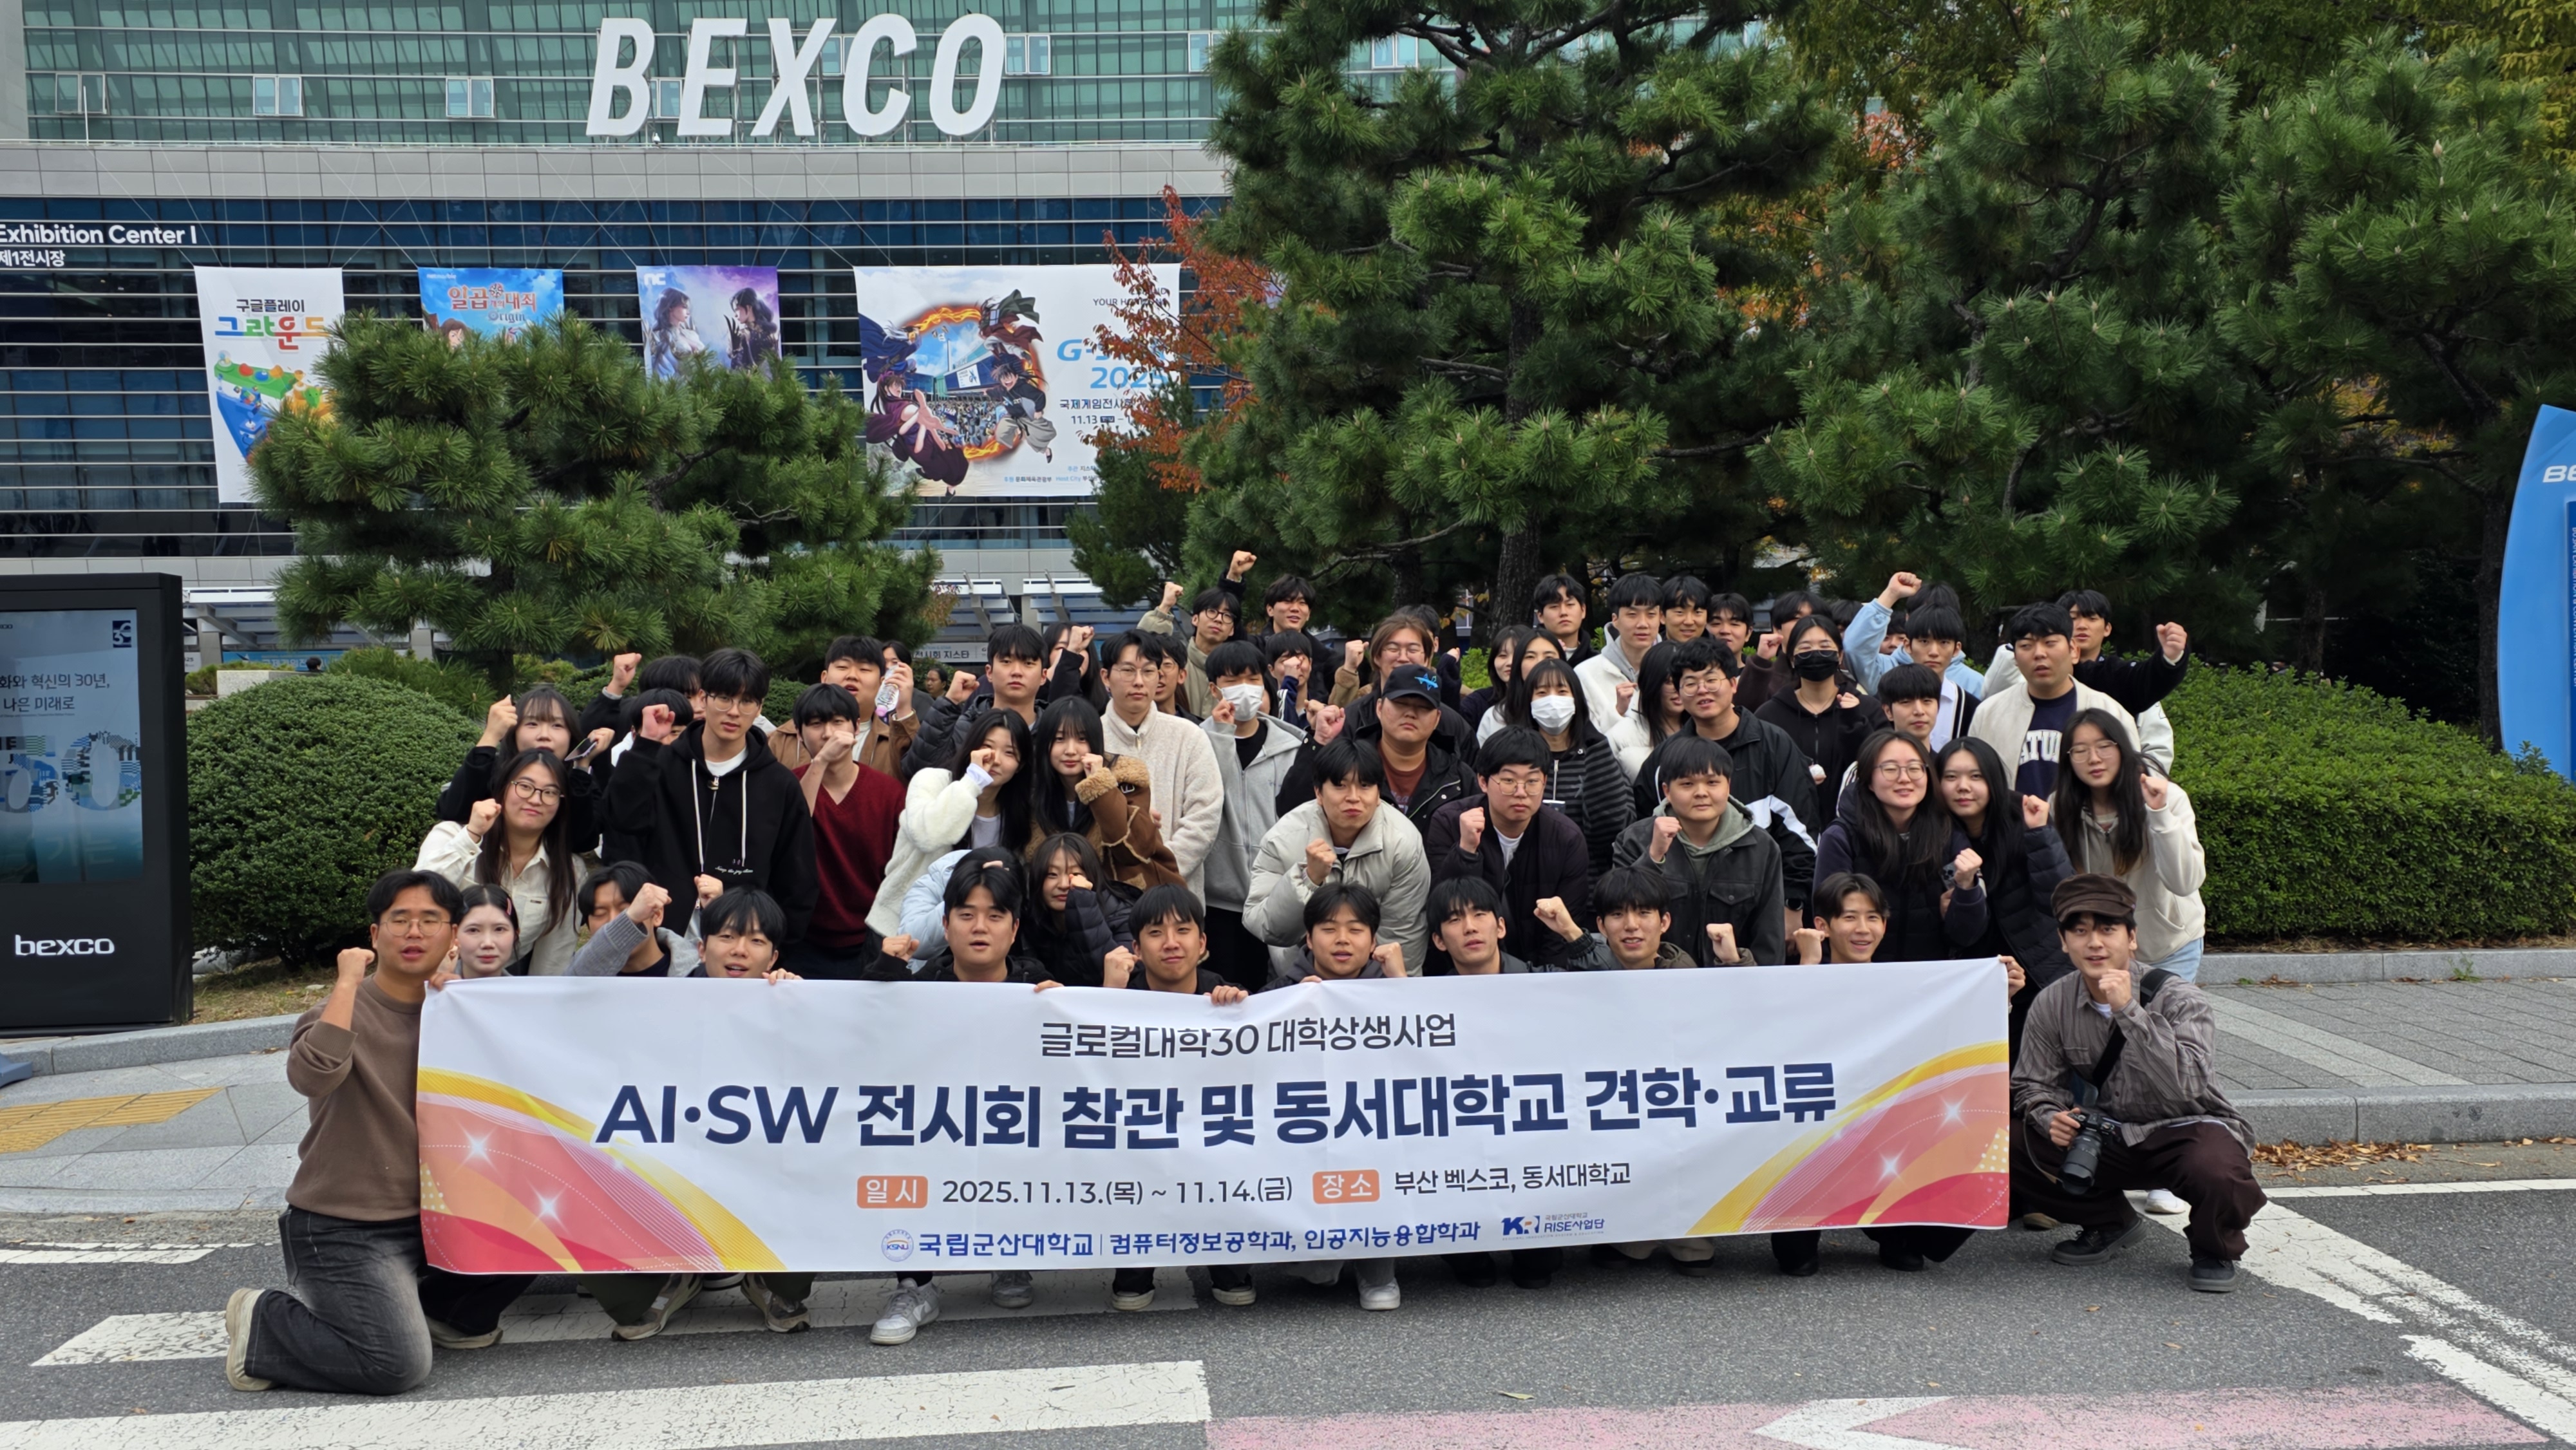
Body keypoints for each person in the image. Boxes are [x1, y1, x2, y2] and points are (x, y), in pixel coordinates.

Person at [222, 870, 533, 1395]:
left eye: (430, 921)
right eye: (400, 920)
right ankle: (263, 1321)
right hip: (348, 1225)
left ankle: (439, 1313)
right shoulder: (337, 1013)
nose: (414, 933)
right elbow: (312, 1076)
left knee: (539, 1217)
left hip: (439, 1218)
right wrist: (345, 982)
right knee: (397, 1366)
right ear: (374, 935)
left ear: (453, 935)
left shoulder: (464, 1012)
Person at [573, 888, 813, 1339]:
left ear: (774, 955)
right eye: (727, 936)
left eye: (757, 941)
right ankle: (672, 1276)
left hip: (755, 1167)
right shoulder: (659, 1003)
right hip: (668, 1166)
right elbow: (573, 994)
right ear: (702, 947)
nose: (741, 950)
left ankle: (768, 1281)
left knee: (807, 1179)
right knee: (623, 1299)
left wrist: (806, 1014)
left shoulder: (788, 1003)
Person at [2009, 874, 2265, 1293]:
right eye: (2080, 931)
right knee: (2015, 1141)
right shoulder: (2053, 1003)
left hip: (2188, 1129)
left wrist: (2129, 1010)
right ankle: (2109, 1223)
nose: (2094, 943)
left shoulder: (2179, 998)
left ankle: (2213, 1246)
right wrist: (2049, 1114)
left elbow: (2188, 1085)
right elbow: (2033, 1084)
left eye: (2108, 929)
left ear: (2131, 938)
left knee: (2218, 1168)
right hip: (2114, 1133)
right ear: (2063, 942)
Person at [868, 854, 1059, 1342]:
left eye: (995, 915)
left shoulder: (1038, 991)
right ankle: (915, 1285)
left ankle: (1010, 1255)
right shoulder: (916, 988)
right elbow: (865, 1042)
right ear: (946, 924)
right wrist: (881, 972)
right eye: (967, 914)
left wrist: (1066, 1015)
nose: (981, 927)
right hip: (934, 1133)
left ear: (1014, 929)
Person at [1772, 872, 1985, 1277]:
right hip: (1815, 1128)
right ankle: (1804, 1227)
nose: (1863, 929)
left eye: (1873, 918)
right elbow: (1784, 1046)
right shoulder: (1796, 976)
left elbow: (1952, 1039)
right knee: (1795, 1261)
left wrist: (1998, 998)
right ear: (1822, 925)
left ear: (1885, 925)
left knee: (1964, 1125)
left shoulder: (1907, 985)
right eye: (1850, 918)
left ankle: (1897, 1232)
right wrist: (1810, 966)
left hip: (1888, 1127)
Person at [1104, 884, 1256, 1306]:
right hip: (1141, 1135)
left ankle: (1227, 1261)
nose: (1171, 943)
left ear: (1203, 942)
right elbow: (1090, 1069)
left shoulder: (1222, 995)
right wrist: (1106, 996)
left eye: (1183, 930)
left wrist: (1238, 1011)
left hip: (1209, 1132)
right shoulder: (1118, 996)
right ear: (1136, 946)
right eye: (1155, 933)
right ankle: (1135, 1266)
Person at [605, 646, 819, 946]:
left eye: (747, 701)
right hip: (656, 939)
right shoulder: (660, 765)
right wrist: (644, 749)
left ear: (760, 708)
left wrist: (775, 950)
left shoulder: (778, 784)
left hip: (741, 945)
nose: (734, 711)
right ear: (704, 700)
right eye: (724, 698)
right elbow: (621, 823)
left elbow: (798, 881)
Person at [1262, 881, 1406, 1309]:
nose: (1343, 939)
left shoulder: (1396, 990)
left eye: (1356, 929)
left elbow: (1432, 1055)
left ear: (1374, 940)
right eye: (1329, 928)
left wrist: (1401, 984)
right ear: (1308, 939)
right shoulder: (1282, 993)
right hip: (1305, 1130)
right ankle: (1320, 1255)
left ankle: (1377, 1269)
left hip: (1373, 1130)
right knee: (1319, 1273)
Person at [1245, 738, 1433, 975]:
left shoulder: (1402, 842)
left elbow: (1401, 937)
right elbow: (1266, 927)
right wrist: (1308, 880)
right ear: (1319, 793)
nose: (1353, 797)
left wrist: (1392, 996)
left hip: (1373, 981)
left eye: (1365, 786)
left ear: (1378, 794)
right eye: (1340, 785)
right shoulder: (1283, 838)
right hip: (1297, 976)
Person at [1609, 735, 1797, 967]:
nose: (1701, 793)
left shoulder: (1762, 847)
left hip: (1734, 982)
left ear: (1728, 785)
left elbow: (1770, 938)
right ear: (1667, 791)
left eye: (1712, 782)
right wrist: (1654, 856)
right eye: (1687, 784)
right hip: (1656, 980)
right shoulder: (1635, 840)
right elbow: (1623, 913)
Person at [1935, 737, 2074, 1048]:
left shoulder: (2023, 817)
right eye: (1951, 777)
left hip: (2037, 973)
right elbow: (1958, 932)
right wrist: (1964, 888)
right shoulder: (1933, 834)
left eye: (1976, 776)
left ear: (1994, 779)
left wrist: (2039, 833)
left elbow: (2060, 900)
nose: (1963, 787)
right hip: (1975, 979)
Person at [2052, 710, 2207, 986]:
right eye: (2080, 750)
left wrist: (2159, 815)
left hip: (2167, 947)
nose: (2094, 759)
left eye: (2104, 747)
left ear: (2123, 749)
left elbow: (2184, 883)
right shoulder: (2059, 808)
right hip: (2101, 952)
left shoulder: (2166, 797)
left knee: (2164, 1029)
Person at [1629, 639, 1818, 858]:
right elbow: (1646, 833)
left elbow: (1802, 836)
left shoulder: (1775, 746)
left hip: (1766, 886)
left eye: (1711, 680)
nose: (1702, 690)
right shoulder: (1665, 758)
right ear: (1680, 694)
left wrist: (1789, 892)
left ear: (1733, 684)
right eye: (1690, 683)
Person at [1424, 728, 1593, 972]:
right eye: (1509, 781)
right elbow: (1444, 906)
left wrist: (1543, 984)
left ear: (1544, 782)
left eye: (1532, 781)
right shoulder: (1450, 822)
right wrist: (1466, 851)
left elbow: (1560, 933)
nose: (1521, 792)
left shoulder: (1566, 838)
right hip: (1463, 970)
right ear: (1483, 781)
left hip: (1537, 972)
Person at [865, 708, 1033, 943]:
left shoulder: (1018, 814)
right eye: (987, 746)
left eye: (1009, 753)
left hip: (971, 940)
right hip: (900, 929)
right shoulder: (932, 781)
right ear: (971, 747)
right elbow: (928, 835)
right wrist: (973, 780)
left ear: (1021, 765)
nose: (995, 758)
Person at [1200, 639, 1310, 990]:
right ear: (1215, 688)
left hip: (1279, 895)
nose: (1244, 689)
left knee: (1284, 991)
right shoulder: (1198, 741)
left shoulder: (1291, 746)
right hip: (1221, 902)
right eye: (1232, 681)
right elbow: (1208, 797)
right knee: (1229, 993)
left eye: (1252, 679)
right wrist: (1220, 735)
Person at [415, 748, 584, 975]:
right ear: (503, 788)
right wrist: (472, 835)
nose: (536, 799)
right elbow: (417, 898)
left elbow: (554, 957)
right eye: (525, 787)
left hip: (498, 987)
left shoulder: (568, 870)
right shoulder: (451, 836)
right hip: (428, 980)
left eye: (550, 792)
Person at [1983, 590, 2186, 769]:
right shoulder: (2029, 677)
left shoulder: (2119, 679)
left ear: (2107, 628)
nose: (2081, 626)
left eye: (2091, 618)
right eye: (2073, 618)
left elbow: (2157, 744)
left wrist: (2170, 659)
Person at [785, 684, 906, 979]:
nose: (828, 734)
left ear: (855, 728)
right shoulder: (787, 786)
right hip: (802, 942)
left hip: (872, 939)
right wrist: (820, 762)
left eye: (838, 722)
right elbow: (791, 832)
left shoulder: (888, 792)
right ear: (800, 734)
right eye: (816, 724)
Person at [1097, 630, 1226, 899]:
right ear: (1106, 677)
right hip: (1107, 897)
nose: (1139, 682)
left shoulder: (1189, 736)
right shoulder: (1091, 738)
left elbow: (1205, 817)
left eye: (1148, 671)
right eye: (1128, 671)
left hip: (1178, 895)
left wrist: (1161, 870)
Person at [1969, 603, 2143, 802]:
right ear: (2015, 658)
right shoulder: (1989, 714)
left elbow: (2131, 787)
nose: (2039, 653)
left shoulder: (2110, 712)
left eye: (2050, 643)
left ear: (2074, 651)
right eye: (2026, 646)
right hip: (2012, 830)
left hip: (2085, 831)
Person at [1812, 731, 1950, 963]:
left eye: (1915, 768)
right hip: (1861, 976)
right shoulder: (1840, 838)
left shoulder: (1946, 833)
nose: (1904, 778)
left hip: (1930, 980)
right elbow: (1829, 923)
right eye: (1890, 769)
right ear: (1869, 781)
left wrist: (1968, 896)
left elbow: (1968, 931)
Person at [1028, 695, 1186, 892]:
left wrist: (1101, 788)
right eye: (1059, 739)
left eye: (1082, 739)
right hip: (1065, 904)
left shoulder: (1127, 778)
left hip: (1133, 901)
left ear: (1095, 742)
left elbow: (1132, 851)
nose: (1070, 750)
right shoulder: (1033, 790)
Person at [433, 685, 609, 855]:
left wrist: (581, 765)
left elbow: (582, 841)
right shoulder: (491, 770)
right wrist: (491, 735)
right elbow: (453, 811)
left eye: (557, 725)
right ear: (514, 732)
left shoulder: (579, 780)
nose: (544, 735)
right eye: (532, 724)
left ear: (571, 734)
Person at [1757, 614, 1888, 840]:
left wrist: (1855, 722)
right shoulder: (1769, 715)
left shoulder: (1867, 709)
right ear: (1792, 659)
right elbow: (1759, 774)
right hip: (1787, 838)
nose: (1816, 654)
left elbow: (1882, 767)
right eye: (1805, 648)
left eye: (1825, 647)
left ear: (1840, 656)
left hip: (1860, 834)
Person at [1505, 655, 1633, 876]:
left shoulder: (1598, 754)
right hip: (1522, 887)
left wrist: (1598, 746)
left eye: (1562, 691)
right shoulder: (1512, 758)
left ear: (1576, 699)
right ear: (1529, 701)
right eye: (1542, 693)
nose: (1552, 700)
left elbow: (1614, 829)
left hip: (1589, 889)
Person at [902, 625, 1050, 775]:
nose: (1017, 672)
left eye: (1028, 663)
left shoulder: (1054, 732)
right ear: (989, 672)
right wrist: (948, 703)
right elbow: (917, 771)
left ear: (1043, 676)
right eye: (1006, 661)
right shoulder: (964, 728)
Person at [1842, 572, 1987, 701]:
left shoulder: (1974, 683)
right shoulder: (1886, 671)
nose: (1933, 651)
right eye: (1924, 640)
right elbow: (1854, 648)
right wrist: (1891, 594)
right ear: (1908, 618)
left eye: (1943, 641)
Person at [1020, 833, 1135, 988]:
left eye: (1076, 874)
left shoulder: (1121, 915)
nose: (1063, 884)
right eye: (1052, 874)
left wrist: (1083, 902)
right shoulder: (1031, 921)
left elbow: (1108, 974)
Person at [804, 633, 920, 777]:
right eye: (842, 667)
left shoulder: (893, 744)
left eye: (864, 669)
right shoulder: (784, 738)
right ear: (824, 678)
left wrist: (904, 710)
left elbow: (919, 775)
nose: (852, 675)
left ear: (881, 683)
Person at [565, 862, 701, 977]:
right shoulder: (579, 972)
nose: (614, 921)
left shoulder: (698, 970)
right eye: (600, 913)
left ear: (657, 914)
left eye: (626, 911)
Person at [1575, 572, 1663, 735]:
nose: (1643, 624)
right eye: (1632, 615)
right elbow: (1584, 739)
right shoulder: (1586, 674)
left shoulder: (1676, 667)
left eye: (1651, 615)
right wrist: (1617, 712)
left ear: (1661, 618)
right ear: (1615, 620)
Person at [1139, 583, 1236, 717]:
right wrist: (1165, 606)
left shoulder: (1237, 673)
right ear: (1195, 619)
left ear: (1232, 630)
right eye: (1212, 611)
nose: (1219, 619)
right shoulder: (1174, 665)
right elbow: (1143, 648)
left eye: (1227, 616)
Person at [1461, 623, 1537, 734]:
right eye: (1502, 656)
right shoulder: (1477, 704)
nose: (1510, 663)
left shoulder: (1545, 702)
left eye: (1518, 655)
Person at [987, 355, 1056, 461]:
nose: (1007, 381)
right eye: (1003, 379)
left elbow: (1039, 396)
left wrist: (1038, 410)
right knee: (1000, 434)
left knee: (1034, 438)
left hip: (1025, 416)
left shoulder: (1024, 388)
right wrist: (986, 392)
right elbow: (992, 392)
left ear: (1016, 377)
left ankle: (1046, 450)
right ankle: (1017, 433)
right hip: (1012, 417)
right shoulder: (1001, 390)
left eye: (1009, 377)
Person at [1531, 571, 1593, 666]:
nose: (1563, 613)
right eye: (1554, 606)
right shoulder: (1529, 661)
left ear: (1583, 610)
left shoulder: (1598, 663)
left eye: (1570, 605)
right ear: (1540, 616)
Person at [646, 287, 706, 378]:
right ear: (670, 307)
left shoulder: (690, 334)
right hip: (678, 388)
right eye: (684, 307)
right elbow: (662, 374)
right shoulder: (659, 337)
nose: (688, 313)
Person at [726, 287, 781, 370]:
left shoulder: (767, 334)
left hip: (757, 379)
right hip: (749, 379)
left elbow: (775, 364)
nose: (735, 315)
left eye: (737, 310)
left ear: (748, 308)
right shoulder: (741, 334)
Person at [1660, 575, 1714, 646]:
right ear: (1662, 616)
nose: (1689, 622)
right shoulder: (1648, 652)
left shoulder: (1719, 655)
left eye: (1698, 612)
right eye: (1680, 612)